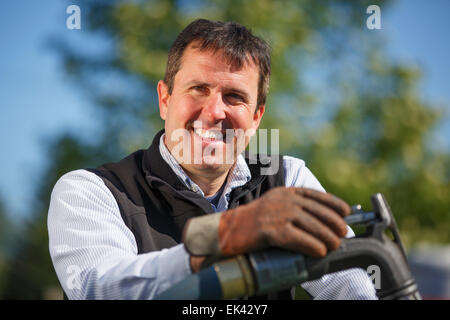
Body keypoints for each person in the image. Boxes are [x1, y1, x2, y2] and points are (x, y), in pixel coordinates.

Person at [48, 19, 377, 300]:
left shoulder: (287, 178)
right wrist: (224, 235)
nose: (214, 112)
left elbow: (352, 285)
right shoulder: (91, 191)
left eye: (234, 96)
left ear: (256, 117)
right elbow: (96, 289)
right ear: (165, 99)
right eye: (198, 89)